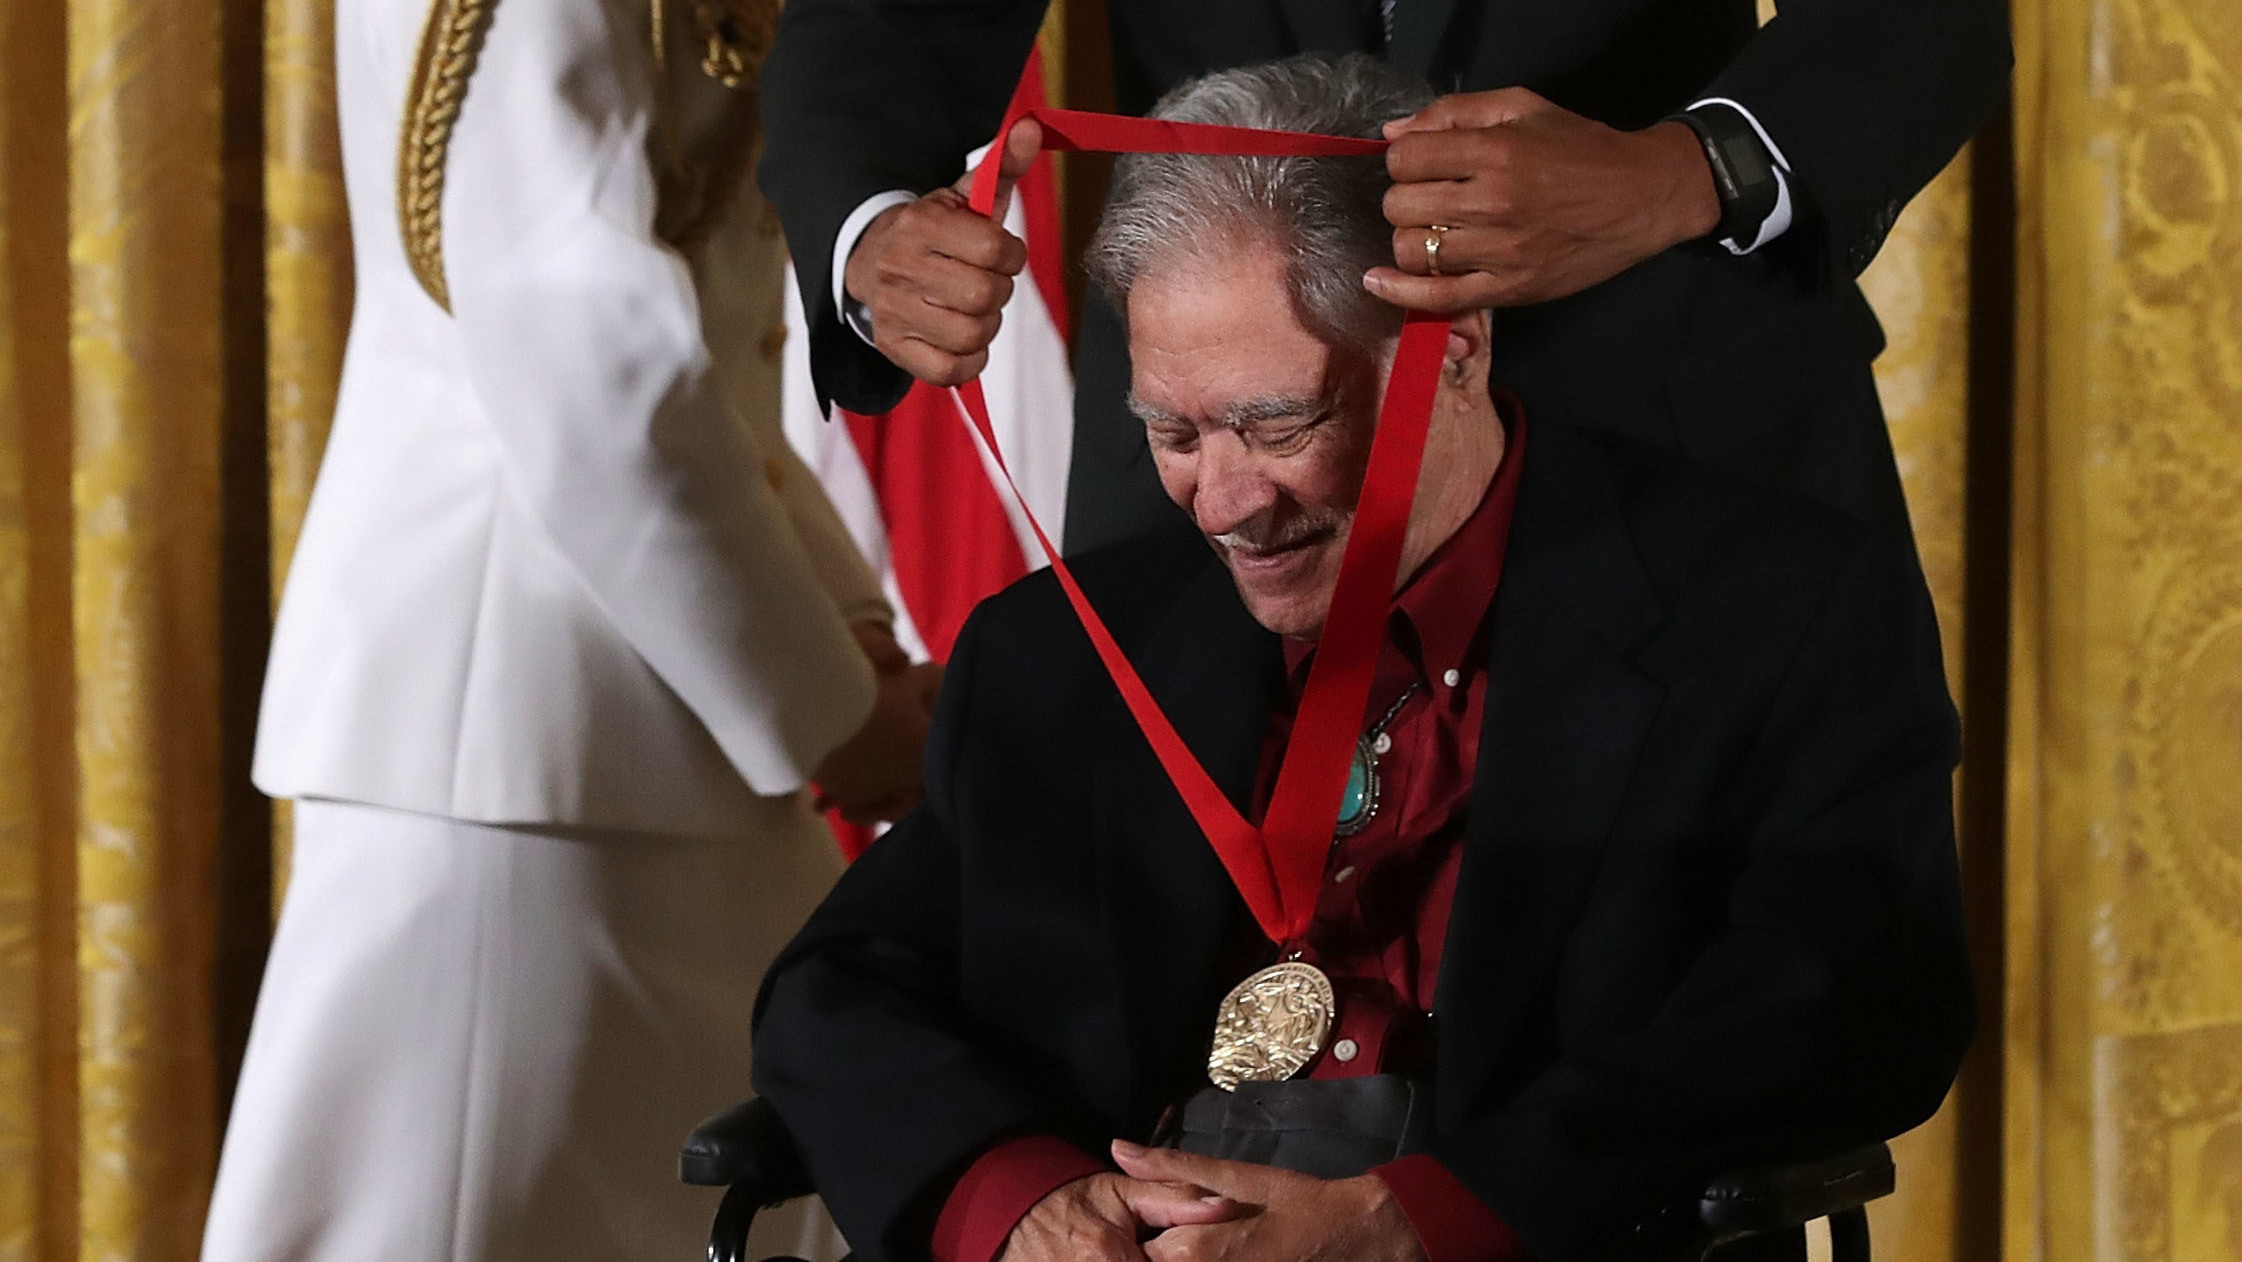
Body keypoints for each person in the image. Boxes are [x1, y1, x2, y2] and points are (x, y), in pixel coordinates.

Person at [751, 55, 1974, 1262]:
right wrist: (1018, 1205)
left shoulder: (1774, 610)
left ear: (1457, 349)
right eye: (1169, 431)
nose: (1221, 501)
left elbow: (1853, 1004)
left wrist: (1421, 1223)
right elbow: (838, 988)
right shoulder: (1058, 650)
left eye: (1279, 424)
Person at [201, 1, 925, 1258]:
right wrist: (835, 707)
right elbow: (596, 375)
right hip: (519, 741)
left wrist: (847, 636)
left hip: (637, 725)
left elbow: (700, 357)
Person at [758, 0, 2008, 555]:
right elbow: (882, 17)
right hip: (1209, 487)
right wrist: (868, 228)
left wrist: (1681, 174)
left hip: (1674, 443)